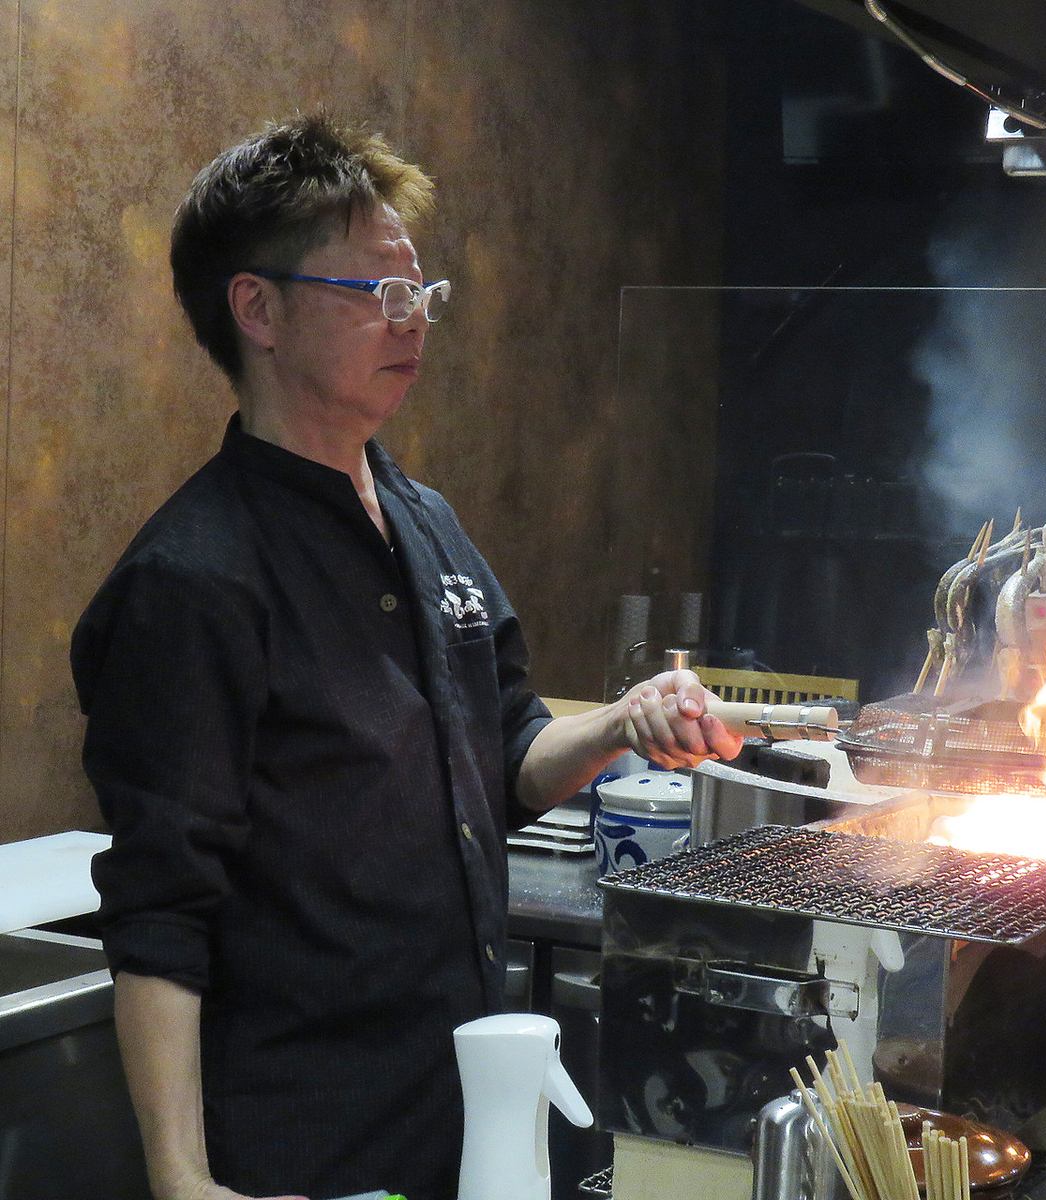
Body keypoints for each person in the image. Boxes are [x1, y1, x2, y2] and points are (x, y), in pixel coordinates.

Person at [70, 112, 742, 1200]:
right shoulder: (192, 581)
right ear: (259, 309)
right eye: (376, 293)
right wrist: (183, 1181)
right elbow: (159, 905)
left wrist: (624, 722)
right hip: (301, 1140)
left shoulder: (426, 521)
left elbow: (507, 749)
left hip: (450, 1112)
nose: (413, 321)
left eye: (421, 294)